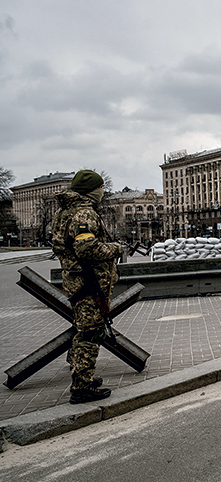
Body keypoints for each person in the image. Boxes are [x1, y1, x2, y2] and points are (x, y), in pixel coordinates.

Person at [51, 170, 124, 404]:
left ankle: (82, 375)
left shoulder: (65, 211)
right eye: (101, 187)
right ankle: (82, 386)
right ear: (92, 190)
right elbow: (87, 249)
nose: (103, 191)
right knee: (90, 333)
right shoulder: (84, 213)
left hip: (76, 279)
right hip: (88, 281)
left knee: (83, 328)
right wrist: (116, 248)